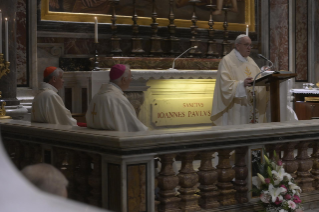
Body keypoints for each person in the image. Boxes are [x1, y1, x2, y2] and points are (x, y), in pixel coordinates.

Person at [210, 34, 268, 126]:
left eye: (250, 45)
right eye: (246, 45)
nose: (249, 48)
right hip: (237, 106)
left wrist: (266, 79)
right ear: (237, 46)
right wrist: (241, 84)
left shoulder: (251, 61)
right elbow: (224, 85)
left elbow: (259, 78)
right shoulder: (227, 61)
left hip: (251, 104)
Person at [86, 64, 148, 132]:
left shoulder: (97, 96)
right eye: (131, 77)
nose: (131, 79)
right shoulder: (117, 99)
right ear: (124, 80)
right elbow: (134, 126)